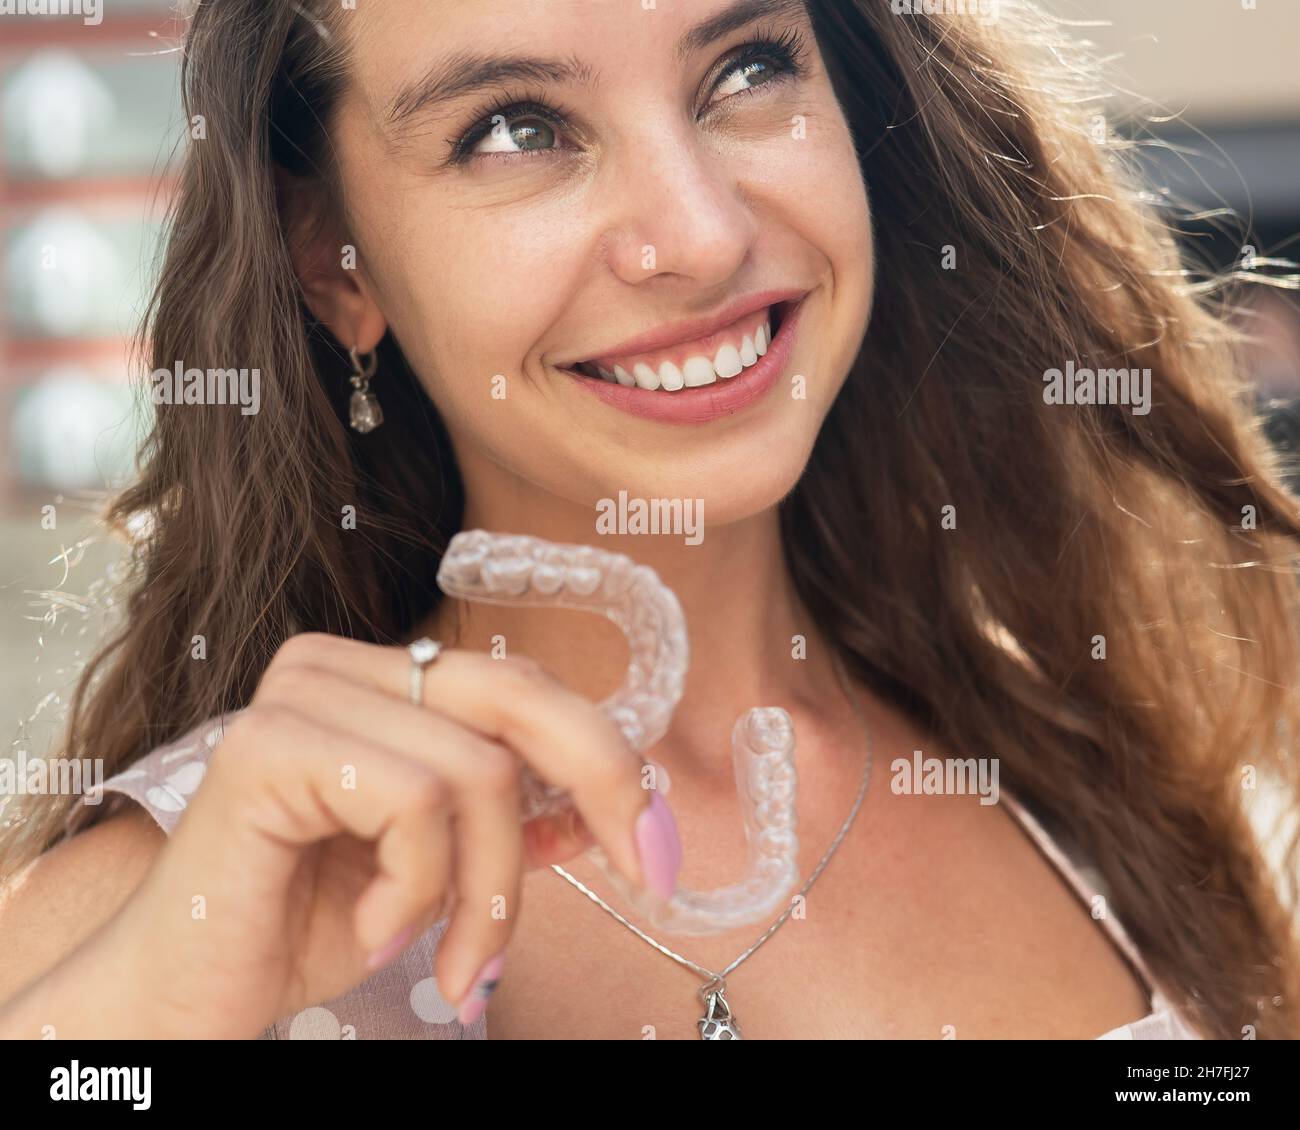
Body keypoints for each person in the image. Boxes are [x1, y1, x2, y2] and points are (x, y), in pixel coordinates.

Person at [1, 0, 1297, 1040]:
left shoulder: (1142, 767)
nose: (698, 233)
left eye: (744, 66)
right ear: (332, 256)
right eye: (514, 127)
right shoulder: (153, 910)